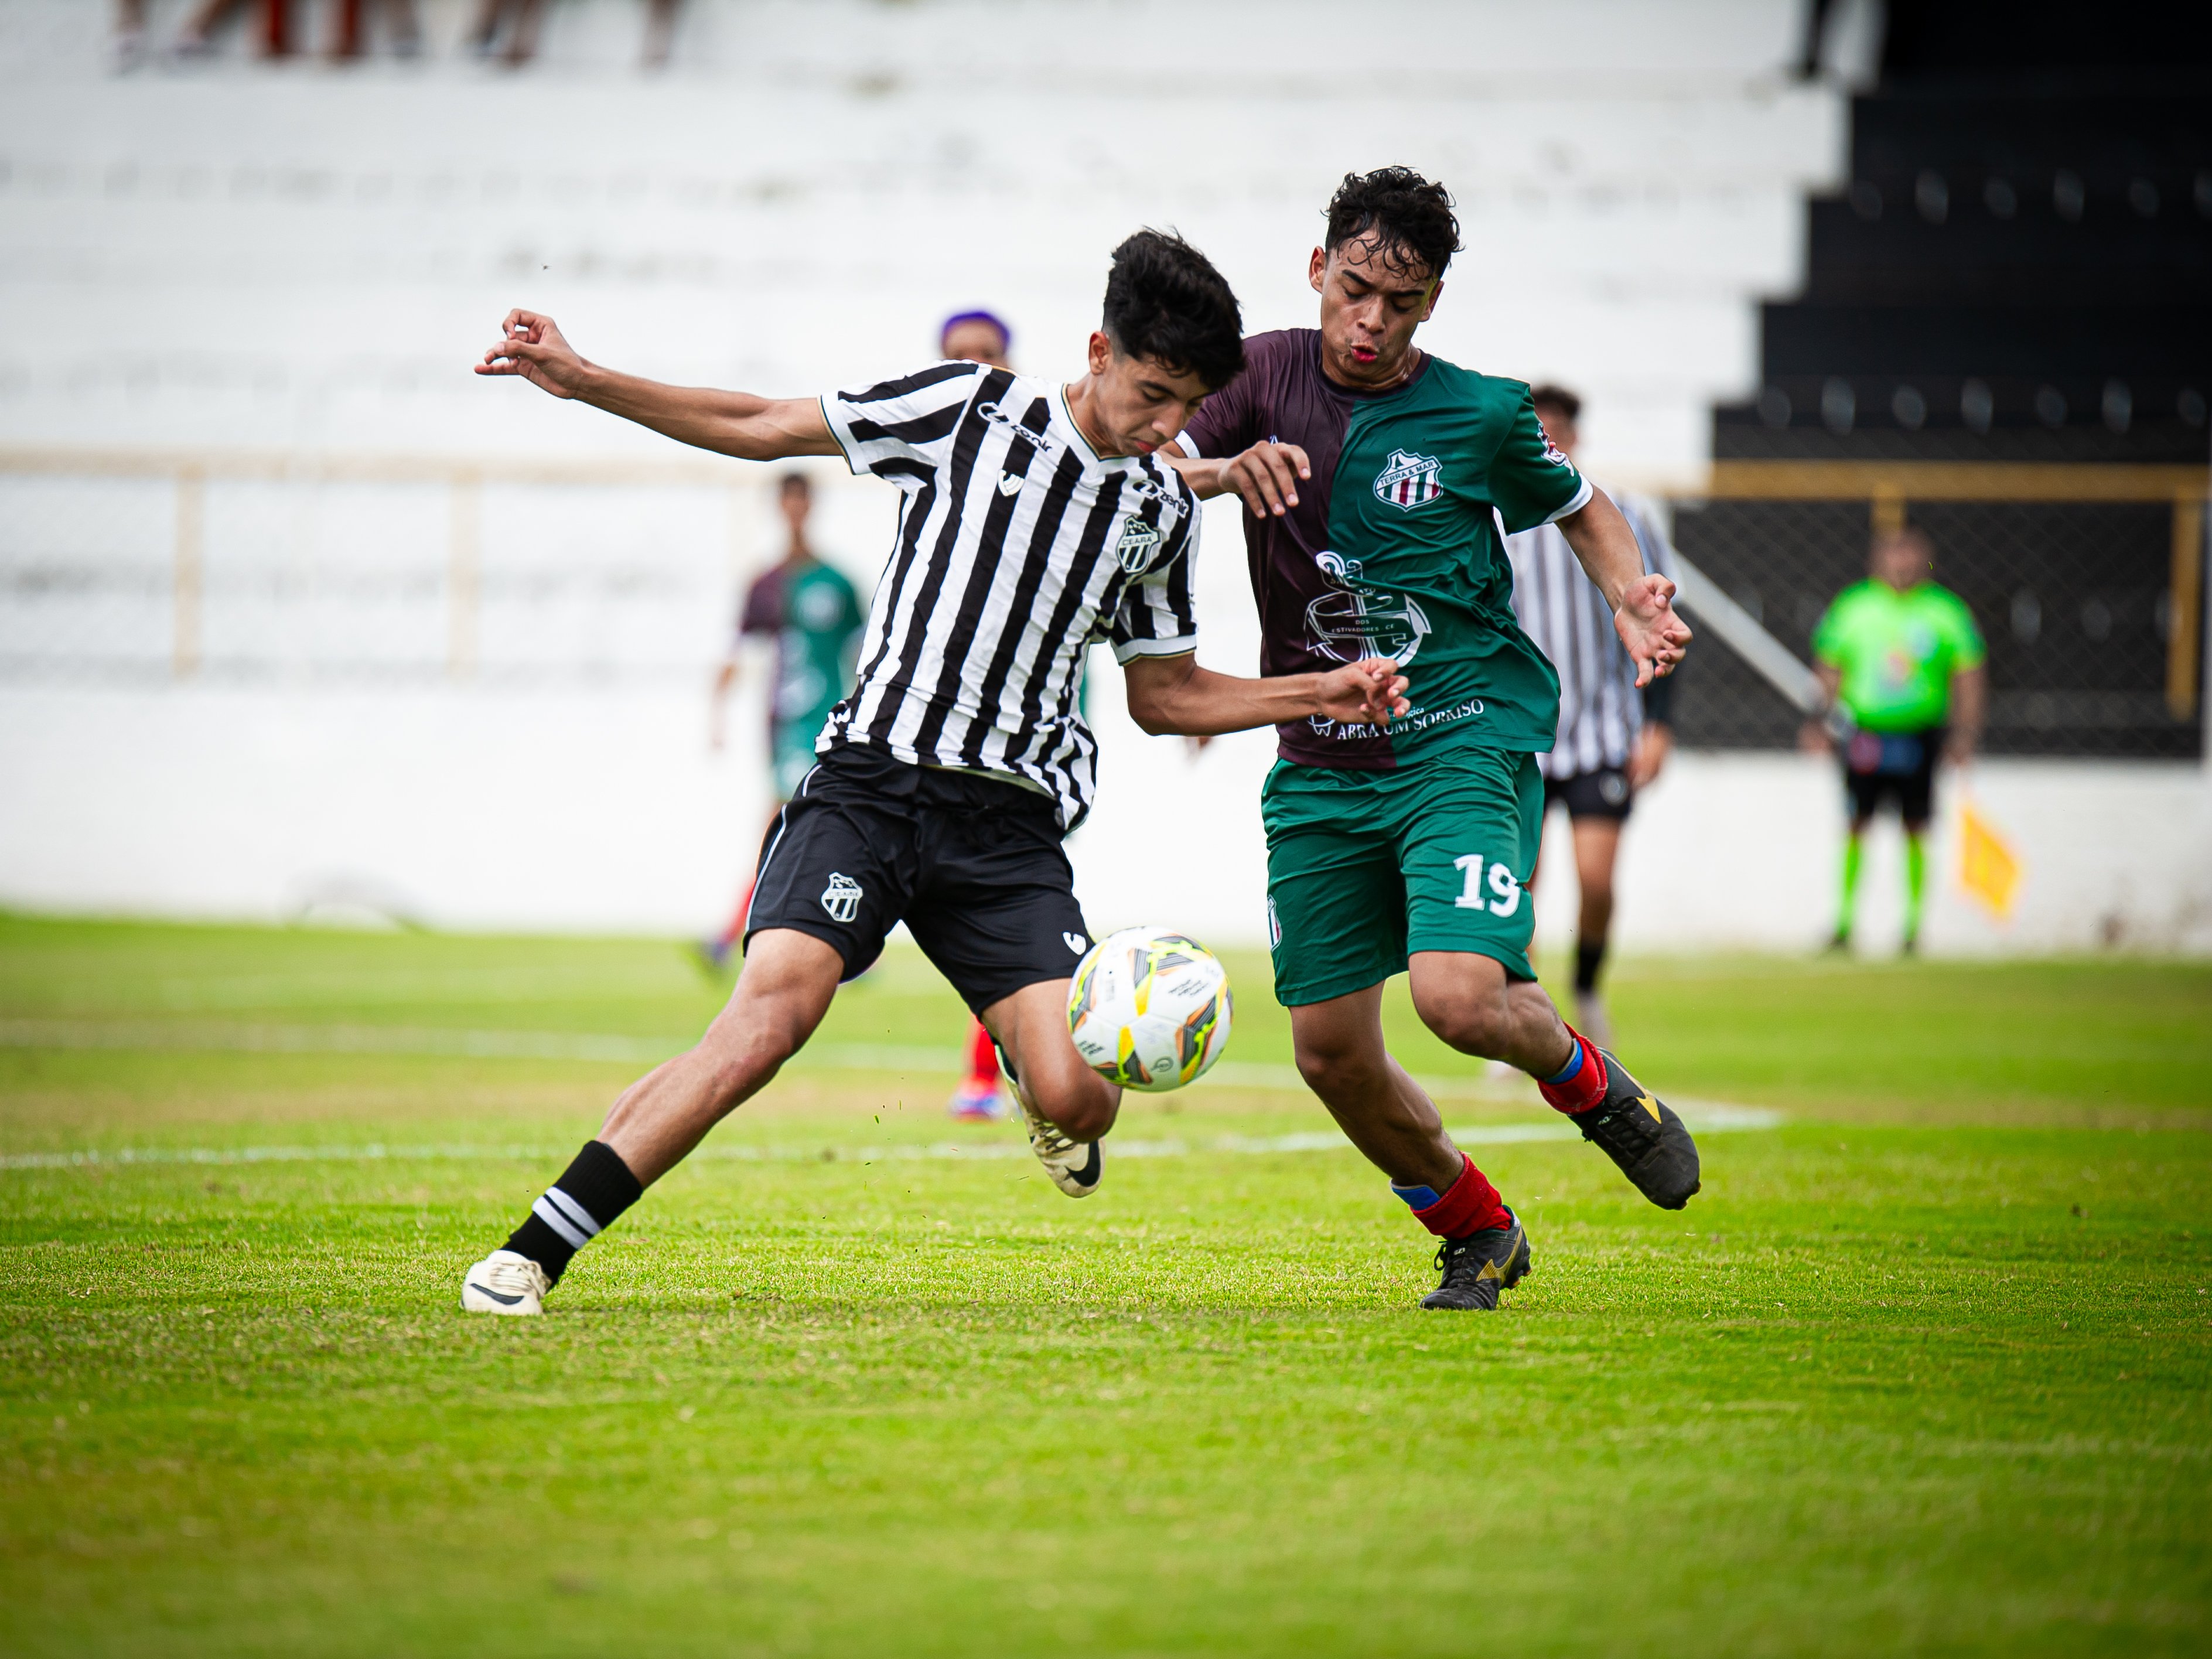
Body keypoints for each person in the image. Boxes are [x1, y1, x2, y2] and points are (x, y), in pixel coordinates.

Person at [459, 230, 1409, 1316]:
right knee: (768, 1019)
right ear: (1098, 349)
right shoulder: (968, 409)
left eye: (1182, 409)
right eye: (1149, 393)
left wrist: (1316, 690)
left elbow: (1167, 696)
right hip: (872, 785)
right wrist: (584, 380)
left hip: (1007, 833)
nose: (1161, 428)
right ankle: (533, 1249)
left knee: (1082, 1099)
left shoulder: (1156, 509)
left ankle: (1035, 1084)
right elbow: (764, 426)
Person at [1168, 167, 1700, 1313]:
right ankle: (1477, 1228)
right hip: (1317, 758)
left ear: (1431, 305)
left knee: (1454, 999)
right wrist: (1216, 471)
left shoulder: (1479, 412)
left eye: (1398, 304)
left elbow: (1580, 506)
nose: (1370, 321)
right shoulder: (1255, 374)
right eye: (1354, 289)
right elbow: (1148, 455)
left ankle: (1592, 1088)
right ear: (1318, 270)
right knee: (1328, 1055)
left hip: (1458, 733)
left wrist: (1623, 597)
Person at [1504, 385, 1679, 1046]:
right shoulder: (1499, 522)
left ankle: (1583, 987)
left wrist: (1658, 724)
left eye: (1557, 432)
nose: (1548, 442)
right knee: (1519, 885)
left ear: (1572, 439)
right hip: (1522, 733)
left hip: (1602, 729)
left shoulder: (1624, 514)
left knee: (1596, 880)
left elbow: (1661, 621)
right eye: (1537, 430)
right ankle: (1520, 1011)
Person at [698, 473, 863, 973]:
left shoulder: (838, 584)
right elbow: (736, 650)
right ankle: (750, 934)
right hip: (785, 726)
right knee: (789, 828)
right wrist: (717, 714)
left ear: (810, 505)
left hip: (830, 723)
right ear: (779, 507)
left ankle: (739, 937)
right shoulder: (767, 585)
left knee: (810, 828)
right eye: (786, 500)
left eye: (801, 500)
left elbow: (866, 654)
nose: (794, 509)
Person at [1808, 527, 1986, 954]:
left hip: (1920, 733)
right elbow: (1830, 666)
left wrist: (1964, 734)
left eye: (1911, 558)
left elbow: (1968, 676)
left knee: (1916, 826)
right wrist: (1820, 721)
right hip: (1865, 732)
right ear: (1878, 561)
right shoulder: (1855, 606)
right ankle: (1845, 923)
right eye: (1894, 557)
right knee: (1856, 823)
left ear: (1926, 562)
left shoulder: (1946, 612)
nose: (1902, 566)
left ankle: (1913, 929)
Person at [932, 306, 1020, 1120]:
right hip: (932, 742)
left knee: (992, 911)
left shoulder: (1054, 465)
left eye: (986, 359)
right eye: (957, 359)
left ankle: (990, 1076)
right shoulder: (921, 467)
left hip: (1029, 748)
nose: (972, 372)